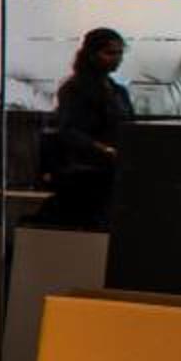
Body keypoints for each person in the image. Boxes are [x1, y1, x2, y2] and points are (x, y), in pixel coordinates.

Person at [39, 25, 132, 230]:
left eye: (120, 53)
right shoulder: (74, 89)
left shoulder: (118, 91)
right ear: (91, 54)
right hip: (85, 173)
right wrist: (104, 149)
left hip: (114, 171)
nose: (117, 58)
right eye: (110, 53)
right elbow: (68, 131)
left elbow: (130, 126)